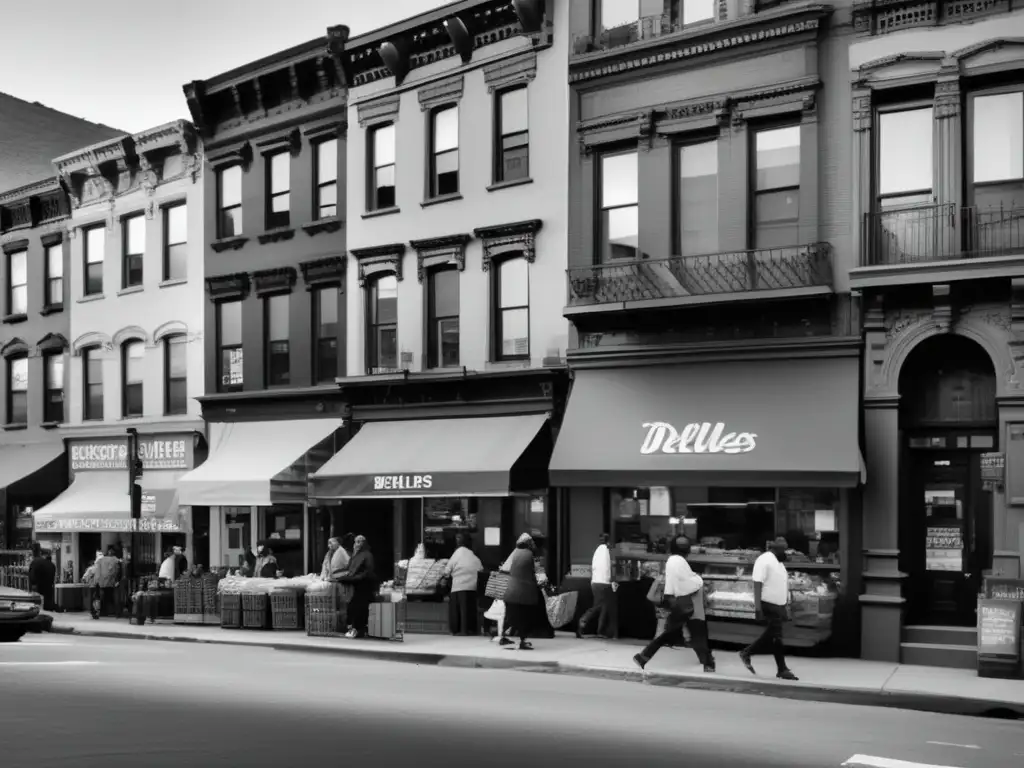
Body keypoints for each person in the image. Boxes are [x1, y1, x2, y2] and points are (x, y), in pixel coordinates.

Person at [633, 536, 714, 673]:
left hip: (677, 603)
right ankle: (708, 664)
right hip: (688, 603)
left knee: (669, 634)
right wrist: (699, 580)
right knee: (697, 632)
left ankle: (643, 657)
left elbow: (676, 582)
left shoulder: (672, 561)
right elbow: (691, 584)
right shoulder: (679, 561)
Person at [740, 537, 798, 681]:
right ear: (775, 548)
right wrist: (757, 608)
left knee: (773, 636)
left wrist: (785, 605)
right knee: (776, 635)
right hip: (768, 603)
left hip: (778, 605)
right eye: (783, 550)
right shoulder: (764, 560)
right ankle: (781, 669)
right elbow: (757, 583)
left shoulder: (778, 562)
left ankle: (748, 653)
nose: (786, 553)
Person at [502, 533, 547, 651]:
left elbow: (504, 568)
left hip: (509, 591)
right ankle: (522, 641)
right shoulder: (534, 556)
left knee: (511, 615)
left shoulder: (514, 553)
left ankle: (503, 636)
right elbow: (541, 575)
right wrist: (546, 586)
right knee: (525, 617)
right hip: (524, 593)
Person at [576, 533, 618, 639]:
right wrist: (614, 581)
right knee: (602, 606)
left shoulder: (597, 551)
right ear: (608, 541)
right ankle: (583, 620)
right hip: (604, 583)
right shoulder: (608, 551)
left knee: (603, 606)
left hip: (595, 582)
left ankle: (601, 631)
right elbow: (611, 568)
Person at [444, 533, 484, 636]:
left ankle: (459, 630)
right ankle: (469, 629)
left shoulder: (457, 553)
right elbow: (481, 569)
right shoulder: (474, 556)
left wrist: (445, 576)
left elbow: (447, 570)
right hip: (472, 587)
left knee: (458, 610)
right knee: (469, 609)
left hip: (459, 586)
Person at [339, 535, 376, 638]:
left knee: (358, 608)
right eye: (356, 542)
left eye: (360, 542)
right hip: (356, 586)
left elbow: (368, 571)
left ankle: (357, 629)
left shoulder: (367, 555)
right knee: (353, 607)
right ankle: (355, 628)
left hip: (364, 586)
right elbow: (351, 569)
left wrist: (355, 578)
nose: (357, 544)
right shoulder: (355, 555)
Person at [92, 546, 122, 619]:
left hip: (102, 582)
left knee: (103, 597)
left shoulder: (101, 560)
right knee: (110, 597)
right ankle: (113, 612)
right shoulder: (114, 559)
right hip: (110, 583)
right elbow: (118, 566)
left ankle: (102, 611)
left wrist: (96, 581)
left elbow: (97, 570)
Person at [29, 546, 57, 612]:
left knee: (38, 607)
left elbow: (32, 576)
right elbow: (52, 579)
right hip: (49, 591)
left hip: (38, 589)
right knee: (47, 609)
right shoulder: (52, 565)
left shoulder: (35, 562)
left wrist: (32, 584)